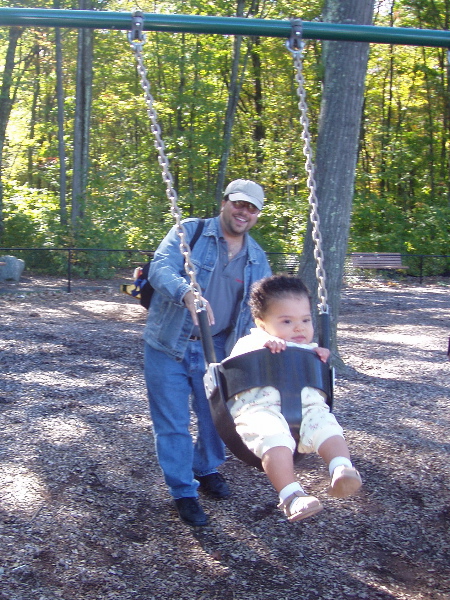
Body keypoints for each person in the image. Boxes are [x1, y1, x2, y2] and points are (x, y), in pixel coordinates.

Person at [143, 179, 272, 526]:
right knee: (172, 424)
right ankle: (183, 490)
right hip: (169, 344)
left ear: (257, 214)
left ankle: (206, 467)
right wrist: (186, 292)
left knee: (216, 421)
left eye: (252, 208)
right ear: (225, 202)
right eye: (238, 204)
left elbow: (264, 314)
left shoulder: (258, 260)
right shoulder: (191, 233)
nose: (244, 212)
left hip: (218, 353)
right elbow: (160, 267)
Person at [228, 274, 362, 523]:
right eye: (287, 320)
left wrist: (318, 356)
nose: (299, 327)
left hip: (307, 409)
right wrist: (264, 344)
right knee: (273, 438)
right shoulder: (253, 341)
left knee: (327, 425)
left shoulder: (310, 349)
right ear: (261, 323)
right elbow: (235, 364)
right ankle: (292, 496)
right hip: (261, 411)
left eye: (305, 319)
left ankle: (342, 468)